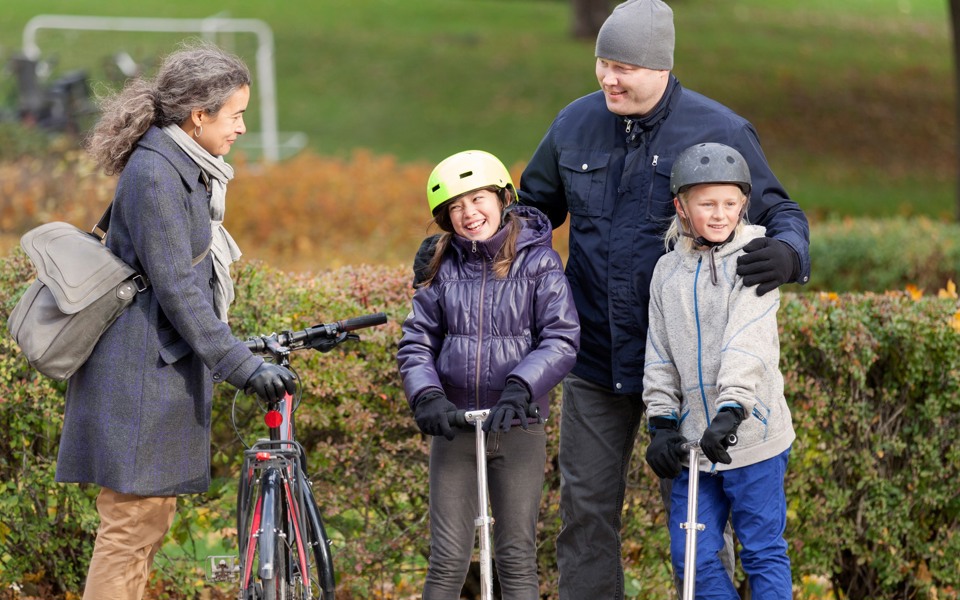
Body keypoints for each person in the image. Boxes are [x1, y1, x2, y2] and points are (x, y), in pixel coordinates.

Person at [515, 0, 811, 598]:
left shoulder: (720, 130)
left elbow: (780, 210)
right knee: (586, 516)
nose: (607, 78)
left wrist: (789, 253)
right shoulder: (574, 123)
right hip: (595, 361)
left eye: (623, 66)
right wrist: (465, 246)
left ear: (661, 68)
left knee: (698, 529)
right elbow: (532, 211)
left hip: (687, 376)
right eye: (602, 62)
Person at [54, 42, 297, 600]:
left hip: (150, 374)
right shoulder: (158, 173)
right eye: (235, 114)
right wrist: (241, 364)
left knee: (145, 526)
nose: (240, 127)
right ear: (199, 114)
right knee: (130, 530)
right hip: (139, 380)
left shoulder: (179, 166)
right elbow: (180, 291)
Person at [397, 150, 580, 599]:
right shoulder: (441, 267)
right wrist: (427, 397)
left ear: (503, 198)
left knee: (516, 558)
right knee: (447, 561)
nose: (468, 214)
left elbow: (561, 337)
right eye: (455, 207)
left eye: (477, 199)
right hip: (456, 428)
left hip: (518, 424)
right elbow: (417, 340)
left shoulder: (539, 263)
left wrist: (522, 387)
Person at [643, 142, 795, 599]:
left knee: (762, 550)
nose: (719, 214)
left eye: (730, 203)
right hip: (695, 447)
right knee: (693, 555)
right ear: (682, 206)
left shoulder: (755, 259)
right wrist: (662, 422)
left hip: (752, 438)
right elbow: (659, 352)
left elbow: (747, 342)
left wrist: (732, 411)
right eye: (707, 203)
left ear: (743, 204)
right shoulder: (666, 272)